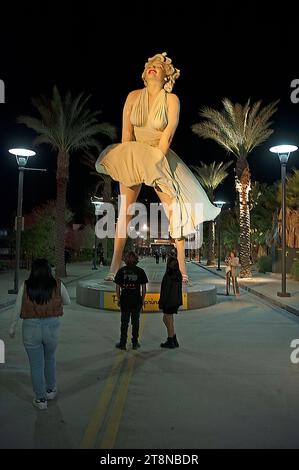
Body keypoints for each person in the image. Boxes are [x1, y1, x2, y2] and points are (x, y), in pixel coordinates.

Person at [96, 52, 220, 283]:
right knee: (124, 211)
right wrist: (127, 161)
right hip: (134, 152)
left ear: (166, 76)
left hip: (159, 156)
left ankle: (182, 269)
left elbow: (169, 133)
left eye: (159, 66)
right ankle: (113, 266)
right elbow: (126, 133)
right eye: (150, 65)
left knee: (175, 212)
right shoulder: (133, 96)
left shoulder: (172, 100)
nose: (153, 67)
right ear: (145, 73)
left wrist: (155, 163)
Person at [9, 258, 71, 410]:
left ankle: (40, 399)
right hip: (52, 327)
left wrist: (12, 327)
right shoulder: (57, 284)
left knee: (36, 365)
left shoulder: (26, 285)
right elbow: (68, 301)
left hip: (30, 328)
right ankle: (50, 390)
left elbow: (17, 308)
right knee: (49, 359)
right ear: (49, 269)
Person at [114, 251, 148, 350]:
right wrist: (142, 300)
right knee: (135, 322)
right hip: (136, 299)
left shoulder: (121, 271)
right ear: (136, 260)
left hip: (125, 299)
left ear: (126, 260)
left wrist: (119, 299)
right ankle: (134, 343)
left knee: (124, 322)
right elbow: (144, 289)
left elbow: (117, 287)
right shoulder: (140, 271)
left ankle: (123, 343)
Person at [158, 256, 182, 349]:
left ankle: (170, 339)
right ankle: (173, 337)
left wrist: (161, 302)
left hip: (169, 301)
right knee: (167, 319)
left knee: (167, 318)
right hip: (175, 300)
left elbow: (165, 290)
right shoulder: (178, 273)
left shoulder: (169, 274)